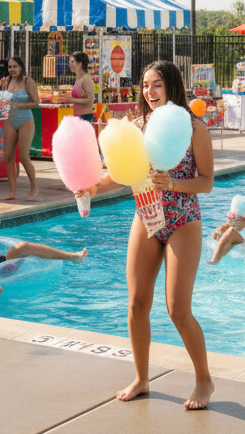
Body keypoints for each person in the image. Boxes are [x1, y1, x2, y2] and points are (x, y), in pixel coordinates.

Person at [78, 59, 215, 410]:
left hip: (183, 218)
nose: (149, 92)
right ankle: (141, 377)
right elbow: (121, 174)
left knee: (177, 309)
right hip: (147, 215)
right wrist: (93, 188)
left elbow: (207, 181)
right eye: (145, 85)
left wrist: (173, 182)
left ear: (171, 85)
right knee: (137, 303)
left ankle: (204, 380)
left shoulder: (193, 127)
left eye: (156, 84)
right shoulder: (135, 127)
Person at [0, 56, 41, 202]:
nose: (12, 70)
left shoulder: (28, 82)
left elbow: (36, 102)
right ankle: (12, 191)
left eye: (15, 66)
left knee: (23, 156)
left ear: (21, 67)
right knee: (9, 156)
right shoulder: (6, 81)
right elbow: (2, 99)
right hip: (10, 119)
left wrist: (18, 105)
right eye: (10, 67)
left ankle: (34, 187)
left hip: (25, 120)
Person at [69, 50, 95, 121]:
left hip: (85, 117)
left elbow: (90, 99)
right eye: (70, 62)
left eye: (72, 62)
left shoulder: (86, 78)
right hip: (78, 117)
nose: (70, 64)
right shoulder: (78, 78)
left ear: (80, 63)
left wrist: (72, 100)